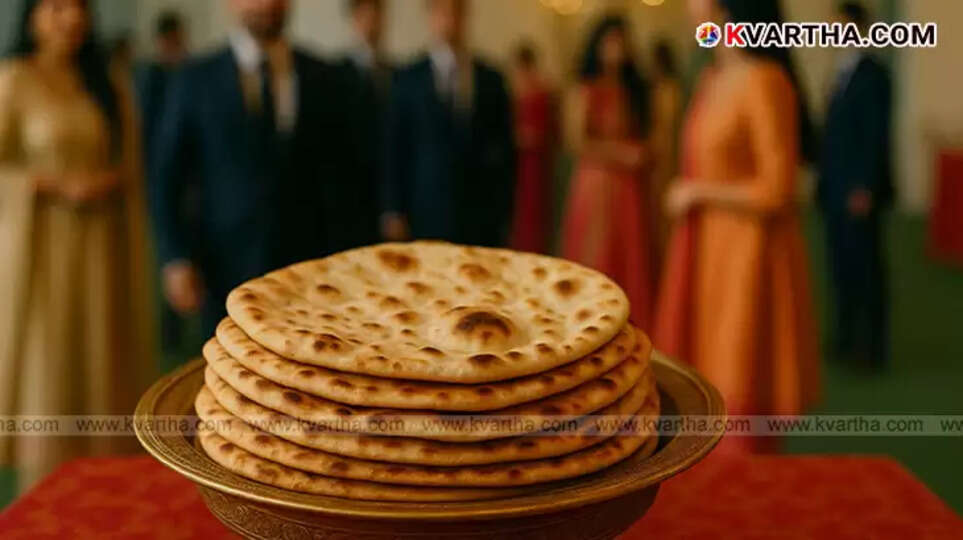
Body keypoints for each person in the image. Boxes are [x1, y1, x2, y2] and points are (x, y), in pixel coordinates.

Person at [0, 0, 153, 490]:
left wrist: (110, 182)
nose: (72, 18)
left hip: (102, 252)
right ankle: (45, 492)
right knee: (52, 367)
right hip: (41, 259)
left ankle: (105, 495)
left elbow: (130, 164)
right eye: (57, 6)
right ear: (32, 16)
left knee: (103, 361)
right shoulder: (15, 79)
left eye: (79, 7)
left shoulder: (106, 84)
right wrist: (49, 184)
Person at [150, 0, 364, 337]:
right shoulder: (194, 80)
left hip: (309, 275)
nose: (265, 4)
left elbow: (350, 178)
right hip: (223, 270)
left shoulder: (327, 77)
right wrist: (175, 257)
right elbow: (166, 176)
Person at [654, 0, 819, 432]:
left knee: (737, 377)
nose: (689, 8)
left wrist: (699, 193)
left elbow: (779, 187)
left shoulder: (765, 80)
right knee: (702, 384)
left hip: (748, 254)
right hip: (707, 247)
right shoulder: (713, 77)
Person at [382, 0, 515, 246]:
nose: (450, 18)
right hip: (425, 208)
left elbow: (505, 150)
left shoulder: (491, 79)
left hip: (478, 213)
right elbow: (395, 147)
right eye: (442, 10)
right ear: (430, 16)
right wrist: (393, 209)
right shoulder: (408, 78)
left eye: (457, 10)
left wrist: (505, 211)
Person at [561, 14, 653, 329]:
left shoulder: (631, 89)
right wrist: (621, 155)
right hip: (597, 183)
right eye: (611, 41)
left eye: (622, 41)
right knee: (597, 257)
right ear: (597, 45)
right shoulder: (586, 88)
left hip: (627, 188)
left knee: (629, 258)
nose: (618, 48)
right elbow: (577, 142)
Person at [818, 1, 892, 370]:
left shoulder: (873, 73)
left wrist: (865, 185)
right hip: (834, 188)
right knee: (841, 265)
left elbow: (875, 137)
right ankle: (846, 337)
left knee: (866, 268)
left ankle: (872, 345)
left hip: (859, 190)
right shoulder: (839, 73)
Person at [136, 10, 196, 372]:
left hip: (191, 181)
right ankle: (170, 333)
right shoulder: (152, 76)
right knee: (167, 253)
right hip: (162, 172)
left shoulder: (191, 72)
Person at [339, 0, 388, 246]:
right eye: (364, 14)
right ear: (353, 18)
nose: (371, 22)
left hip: (386, 192)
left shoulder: (397, 73)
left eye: (376, 13)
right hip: (350, 195)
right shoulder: (335, 74)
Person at [509, 42, 555, 254]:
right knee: (521, 212)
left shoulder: (540, 91)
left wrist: (524, 138)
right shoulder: (517, 90)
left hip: (535, 163)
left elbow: (548, 132)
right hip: (519, 163)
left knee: (534, 211)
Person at [648, 39, 683, 262]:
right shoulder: (662, 87)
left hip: (665, 156)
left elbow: (668, 125)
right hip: (660, 156)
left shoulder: (668, 89)